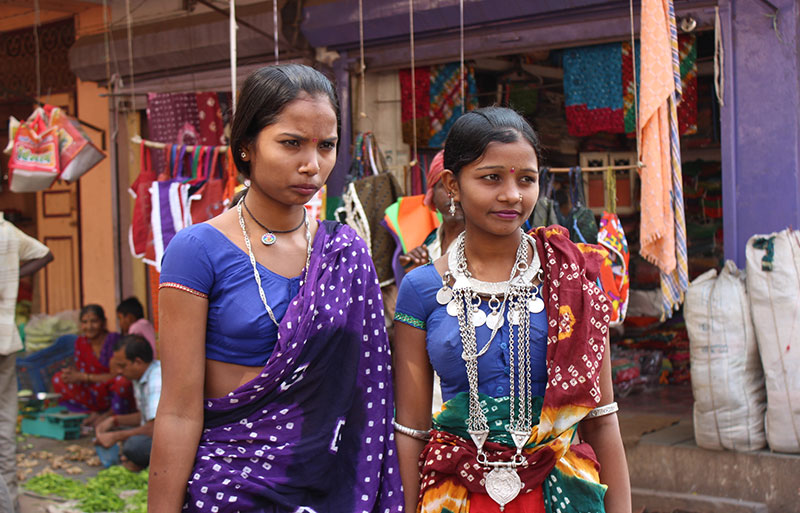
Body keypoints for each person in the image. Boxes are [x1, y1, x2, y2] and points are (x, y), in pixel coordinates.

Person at [149, 64, 402, 512]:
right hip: (230, 486)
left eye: (326, 146)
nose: (312, 164)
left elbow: (368, 392)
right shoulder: (198, 250)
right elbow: (177, 409)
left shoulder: (344, 251)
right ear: (246, 146)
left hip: (331, 487)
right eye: (291, 143)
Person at [392, 107, 631, 512]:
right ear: (453, 184)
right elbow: (411, 430)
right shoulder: (421, 289)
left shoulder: (571, 277)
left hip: (563, 495)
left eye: (527, 179)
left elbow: (602, 417)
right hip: (455, 496)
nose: (512, 195)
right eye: (491, 178)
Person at [0, 213, 53, 511]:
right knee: (5, 425)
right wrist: (12, 276)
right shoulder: (7, 232)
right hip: (5, 340)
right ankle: (9, 502)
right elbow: (45, 254)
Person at [52, 305, 136, 426]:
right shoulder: (80, 343)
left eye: (94, 321)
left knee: (122, 382)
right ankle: (90, 413)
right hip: (92, 392)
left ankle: (110, 415)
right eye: (85, 322)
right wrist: (72, 375)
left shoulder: (114, 340)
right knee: (58, 379)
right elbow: (81, 371)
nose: (89, 327)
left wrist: (84, 377)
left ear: (103, 322)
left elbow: (118, 374)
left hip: (110, 390)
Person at [95, 335, 161, 471]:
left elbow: (155, 427)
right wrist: (114, 421)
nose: (119, 371)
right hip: (156, 430)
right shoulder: (139, 378)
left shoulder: (156, 378)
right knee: (125, 435)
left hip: (171, 437)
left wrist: (116, 436)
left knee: (134, 445)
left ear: (137, 362)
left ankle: (143, 466)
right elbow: (144, 416)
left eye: (122, 366)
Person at [398, 150, 465, 271]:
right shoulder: (430, 243)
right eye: (445, 186)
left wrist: (427, 276)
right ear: (432, 195)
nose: (454, 194)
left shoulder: (482, 247)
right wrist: (416, 273)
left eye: (460, 185)